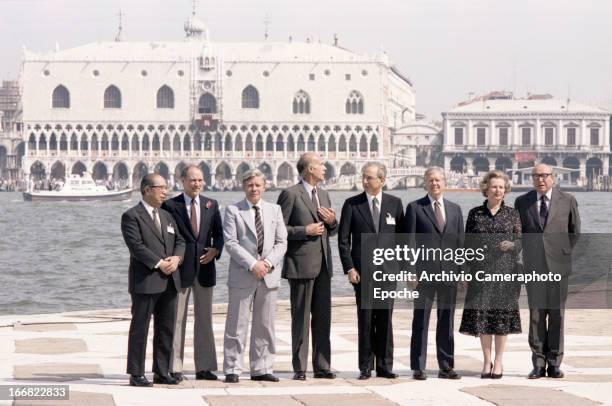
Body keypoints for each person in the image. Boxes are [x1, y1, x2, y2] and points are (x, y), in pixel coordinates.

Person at [338, 162, 404, 380]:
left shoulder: (395, 204)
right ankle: (365, 366)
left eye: (369, 178)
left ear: (382, 180)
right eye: (363, 177)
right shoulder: (352, 204)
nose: (365, 181)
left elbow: (402, 240)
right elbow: (343, 240)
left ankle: (385, 366)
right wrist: (349, 267)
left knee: (385, 319)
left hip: (388, 272)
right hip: (362, 273)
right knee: (365, 320)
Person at [515, 163, 581, 379]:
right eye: (536, 176)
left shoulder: (567, 200)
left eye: (544, 176)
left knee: (557, 315)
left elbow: (575, 232)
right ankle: (538, 363)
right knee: (536, 315)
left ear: (553, 178)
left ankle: (554, 362)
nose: (540, 179)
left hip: (558, 267)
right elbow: (519, 234)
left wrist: (561, 252)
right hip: (533, 266)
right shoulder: (522, 202)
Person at [222, 169, 288, 383]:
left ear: (264, 187)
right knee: (236, 323)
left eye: (258, 185)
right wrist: (253, 264)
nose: (254, 189)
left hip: (269, 275)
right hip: (243, 273)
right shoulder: (233, 210)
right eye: (250, 185)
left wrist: (267, 263)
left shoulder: (275, 209)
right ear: (244, 187)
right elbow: (230, 243)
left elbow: (282, 242)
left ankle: (262, 367)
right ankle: (232, 368)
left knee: (265, 324)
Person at [277, 153, 338, 380]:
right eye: (321, 165)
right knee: (301, 319)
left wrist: (332, 222)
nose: (324, 168)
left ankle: (322, 366)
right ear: (309, 169)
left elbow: (331, 230)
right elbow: (280, 230)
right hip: (301, 265)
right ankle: (300, 368)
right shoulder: (290, 194)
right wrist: (305, 231)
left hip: (324, 266)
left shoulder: (324, 194)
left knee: (323, 319)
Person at [121, 174, 185, 387]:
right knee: (140, 327)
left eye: (166, 187)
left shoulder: (167, 215)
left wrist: (176, 258)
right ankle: (136, 373)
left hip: (170, 280)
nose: (165, 192)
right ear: (147, 190)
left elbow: (180, 241)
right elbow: (136, 246)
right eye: (161, 188)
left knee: (166, 328)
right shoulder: (131, 216)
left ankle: (161, 370)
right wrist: (159, 263)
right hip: (146, 280)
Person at [161, 165, 224, 382]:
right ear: (182, 181)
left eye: (200, 180)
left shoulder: (211, 204)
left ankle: (205, 367)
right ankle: (174, 367)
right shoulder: (170, 205)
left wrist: (216, 250)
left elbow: (219, 235)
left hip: (206, 269)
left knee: (205, 320)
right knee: (176, 320)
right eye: (192, 180)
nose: (197, 184)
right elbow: (166, 238)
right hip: (180, 270)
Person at [459, 170, 522, 379]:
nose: (498, 190)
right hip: (480, 271)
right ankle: (487, 362)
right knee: (483, 318)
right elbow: (467, 245)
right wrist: (465, 271)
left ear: (506, 190)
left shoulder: (513, 213)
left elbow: (522, 242)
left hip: (505, 272)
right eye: (494, 186)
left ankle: (499, 362)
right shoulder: (474, 214)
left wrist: (512, 244)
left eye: (501, 187)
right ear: (486, 189)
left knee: (501, 319)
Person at [405, 166, 464, 380]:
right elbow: (408, 242)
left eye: (438, 180)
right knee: (420, 320)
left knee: (446, 320)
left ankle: (446, 366)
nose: (435, 184)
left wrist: (462, 273)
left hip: (449, 273)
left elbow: (461, 244)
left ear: (445, 183)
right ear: (425, 183)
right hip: (423, 274)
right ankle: (418, 366)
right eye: (431, 180)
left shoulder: (455, 209)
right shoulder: (415, 208)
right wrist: (410, 271)